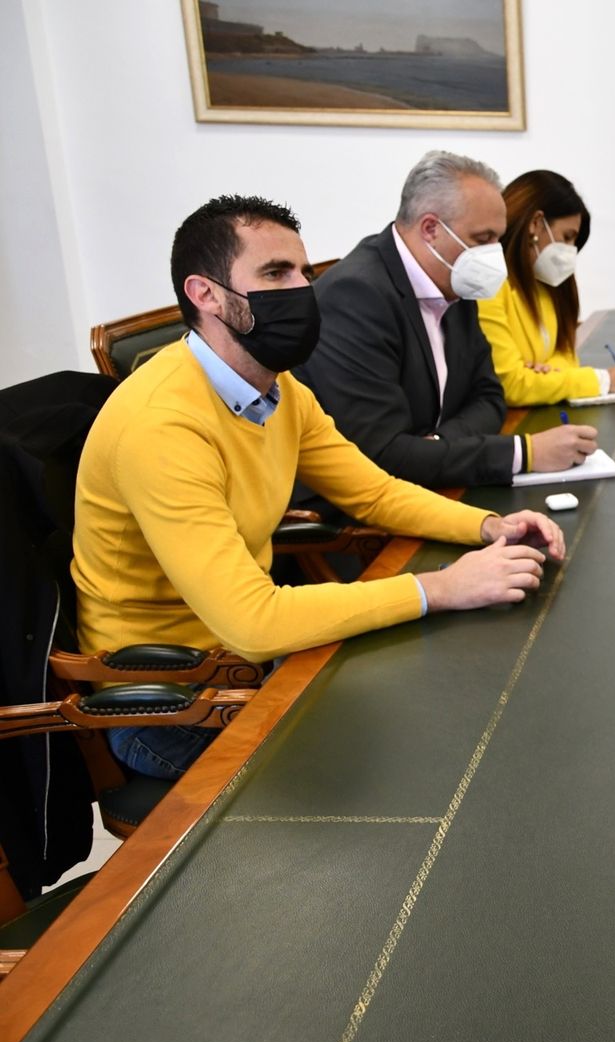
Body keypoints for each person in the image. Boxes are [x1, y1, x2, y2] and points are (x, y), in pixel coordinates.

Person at [73, 195, 568, 781]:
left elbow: (374, 493)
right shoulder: (160, 426)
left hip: (246, 661)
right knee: (404, 772)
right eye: (275, 273)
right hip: (173, 699)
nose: (302, 290)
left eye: (303, 273)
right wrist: (442, 587)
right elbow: (253, 621)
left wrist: (487, 526)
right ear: (204, 294)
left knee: (438, 722)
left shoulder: (280, 390)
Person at [296, 150, 597, 488]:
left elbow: (489, 397)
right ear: (430, 229)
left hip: (433, 480)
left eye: (497, 239)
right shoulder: (355, 297)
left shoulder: (455, 280)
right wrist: (523, 453)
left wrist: (438, 446)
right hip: (355, 508)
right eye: (482, 239)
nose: (494, 255)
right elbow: (380, 456)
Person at [477, 169, 615, 405]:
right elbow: (510, 384)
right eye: (567, 237)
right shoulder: (488, 286)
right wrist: (602, 381)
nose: (570, 250)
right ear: (535, 224)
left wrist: (543, 375)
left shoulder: (547, 286)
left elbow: (566, 357)